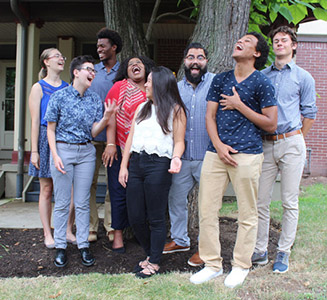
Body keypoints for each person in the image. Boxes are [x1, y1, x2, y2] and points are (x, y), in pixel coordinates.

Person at [190, 32, 277, 287]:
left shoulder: (262, 82)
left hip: (248, 155)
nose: (240, 41)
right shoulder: (221, 79)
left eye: (248, 41)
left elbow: (271, 124)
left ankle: (241, 265)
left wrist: (240, 105)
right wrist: (218, 146)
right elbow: (209, 116)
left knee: (247, 213)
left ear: (257, 53)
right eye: (239, 39)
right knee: (206, 210)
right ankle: (212, 264)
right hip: (215, 154)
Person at [252, 26, 317, 273]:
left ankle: (283, 252)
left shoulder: (303, 77)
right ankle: (259, 250)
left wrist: (296, 138)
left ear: (294, 45)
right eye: (276, 41)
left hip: (291, 142)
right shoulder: (262, 76)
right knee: (261, 200)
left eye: (284, 40)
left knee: (289, 202)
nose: (279, 44)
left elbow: (309, 113)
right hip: (266, 144)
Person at [45, 55, 116, 268]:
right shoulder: (59, 96)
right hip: (63, 150)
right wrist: (55, 155)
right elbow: (50, 129)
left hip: (86, 151)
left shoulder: (94, 99)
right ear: (76, 72)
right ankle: (60, 247)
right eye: (88, 69)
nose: (93, 73)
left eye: (94, 70)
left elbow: (94, 132)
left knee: (83, 201)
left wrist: (106, 118)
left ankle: (84, 245)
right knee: (63, 202)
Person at [118, 66, 187, 278]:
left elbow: (178, 141)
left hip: (159, 165)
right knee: (136, 216)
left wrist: (176, 158)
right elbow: (131, 138)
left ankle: (154, 261)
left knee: (156, 217)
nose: (145, 84)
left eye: (149, 81)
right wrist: (124, 165)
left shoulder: (176, 110)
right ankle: (151, 254)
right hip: (137, 164)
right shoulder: (142, 108)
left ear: (159, 84)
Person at [162, 43, 214, 267]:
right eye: (191, 57)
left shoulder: (216, 83)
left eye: (200, 57)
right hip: (181, 158)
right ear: (184, 61)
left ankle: (206, 248)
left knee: (208, 205)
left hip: (209, 157)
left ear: (206, 62)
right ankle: (180, 240)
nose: (195, 61)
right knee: (176, 201)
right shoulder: (174, 88)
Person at [103, 55, 155, 253]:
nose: (135, 66)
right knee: (118, 192)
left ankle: (142, 233)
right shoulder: (118, 87)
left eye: (139, 63)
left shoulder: (153, 90)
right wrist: (110, 143)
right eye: (131, 64)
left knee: (144, 195)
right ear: (125, 70)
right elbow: (111, 117)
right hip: (119, 148)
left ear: (146, 68)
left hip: (145, 152)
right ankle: (118, 235)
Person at [28, 48, 76, 249]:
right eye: (56, 56)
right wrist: (34, 151)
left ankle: (66, 230)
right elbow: (35, 121)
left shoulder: (69, 88)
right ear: (46, 62)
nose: (61, 58)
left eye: (62, 56)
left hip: (65, 141)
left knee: (72, 190)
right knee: (47, 189)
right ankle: (48, 233)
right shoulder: (38, 88)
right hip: (44, 142)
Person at [88, 28, 122, 243]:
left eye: (103, 45)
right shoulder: (93, 70)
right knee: (88, 184)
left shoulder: (123, 71)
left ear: (114, 48)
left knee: (113, 184)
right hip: (92, 136)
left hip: (115, 139)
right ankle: (91, 226)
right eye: (98, 45)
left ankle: (110, 226)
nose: (99, 49)